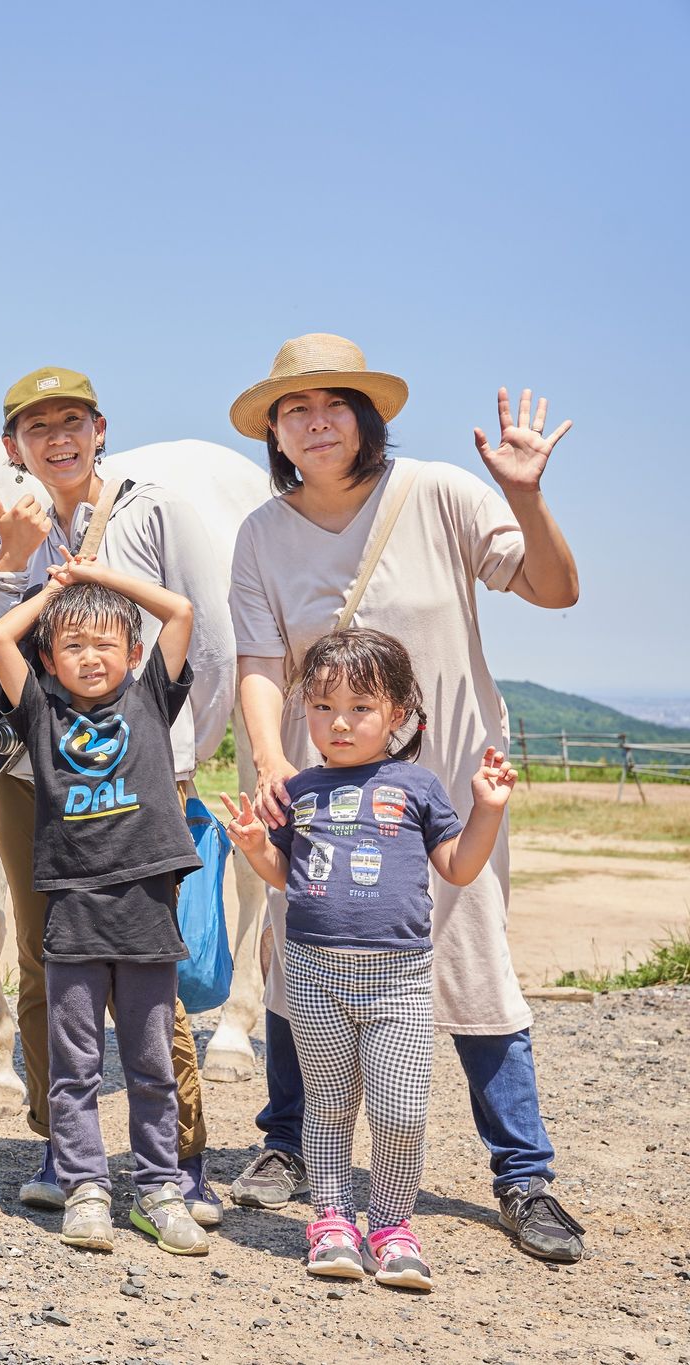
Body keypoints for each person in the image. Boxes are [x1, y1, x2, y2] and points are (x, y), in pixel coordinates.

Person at [222, 333, 587, 1264]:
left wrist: (526, 495)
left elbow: (554, 590)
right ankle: (286, 1141)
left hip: (444, 782)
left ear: (366, 415)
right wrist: (269, 760)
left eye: (333, 403)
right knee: (298, 939)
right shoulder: (262, 534)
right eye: (293, 409)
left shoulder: (437, 493)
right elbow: (262, 661)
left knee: (473, 950)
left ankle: (523, 1172)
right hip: (319, 789)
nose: (315, 421)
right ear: (275, 431)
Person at [0, 367, 231, 1225]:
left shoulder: (151, 508)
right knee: (44, 956)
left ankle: (180, 1157)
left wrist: (179, 753)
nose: (58, 439)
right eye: (38, 428)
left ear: (100, 427)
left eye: (72, 421)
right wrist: (14, 558)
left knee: (157, 965)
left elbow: (202, 632)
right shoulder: (3, 520)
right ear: (15, 447)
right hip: (27, 769)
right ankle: (60, 1144)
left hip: (139, 769)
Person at [224, 628, 519, 1290]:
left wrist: (488, 811)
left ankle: (390, 1226)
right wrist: (253, 846)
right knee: (328, 1106)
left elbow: (460, 866)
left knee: (401, 1108)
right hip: (313, 972)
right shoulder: (298, 789)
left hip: (398, 982)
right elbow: (285, 876)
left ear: (399, 713)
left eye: (361, 706)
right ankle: (331, 1220)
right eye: (323, 707)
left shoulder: (417, 785)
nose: (340, 722)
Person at [0, 561, 209, 1256]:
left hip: (145, 909)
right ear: (48, 660)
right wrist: (54, 595)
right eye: (72, 645)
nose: (90, 656)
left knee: (149, 1064)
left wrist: (98, 577)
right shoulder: (41, 714)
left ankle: (159, 1190)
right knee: (76, 1064)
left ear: (133, 655)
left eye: (107, 642)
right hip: (73, 914)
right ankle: (85, 1186)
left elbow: (179, 610)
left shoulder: (148, 700)